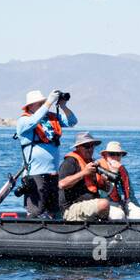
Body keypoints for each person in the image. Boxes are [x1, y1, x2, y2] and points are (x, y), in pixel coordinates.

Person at [16, 89, 77, 217]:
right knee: (37, 211)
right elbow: (33, 121)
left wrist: (63, 106)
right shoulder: (24, 121)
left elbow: (72, 121)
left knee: (54, 211)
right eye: (39, 103)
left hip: (53, 174)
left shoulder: (51, 119)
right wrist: (49, 102)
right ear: (30, 106)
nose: (43, 105)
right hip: (35, 174)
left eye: (43, 103)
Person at [58, 132, 111, 221]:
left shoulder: (92, 163)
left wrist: (105, 183)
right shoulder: (70, 162)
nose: (90, 149)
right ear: (78, 147)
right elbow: (62, 184)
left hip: (91, 205)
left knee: (117, 209)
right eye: (86, 146)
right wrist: (84, 173)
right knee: (104, 204)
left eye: (92, 146)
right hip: (71, 208)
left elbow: (104, 189)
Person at [98, 141, 140, 219]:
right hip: (107, 202)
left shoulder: (123, 170)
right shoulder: (100, 169)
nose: (115, 157)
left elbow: (131, 194)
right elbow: (102, 194)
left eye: (118, 155)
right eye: (112, 154)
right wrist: (114, 172)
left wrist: (139, 207)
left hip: (124, 202)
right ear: (105, 156)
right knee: (118, 215)